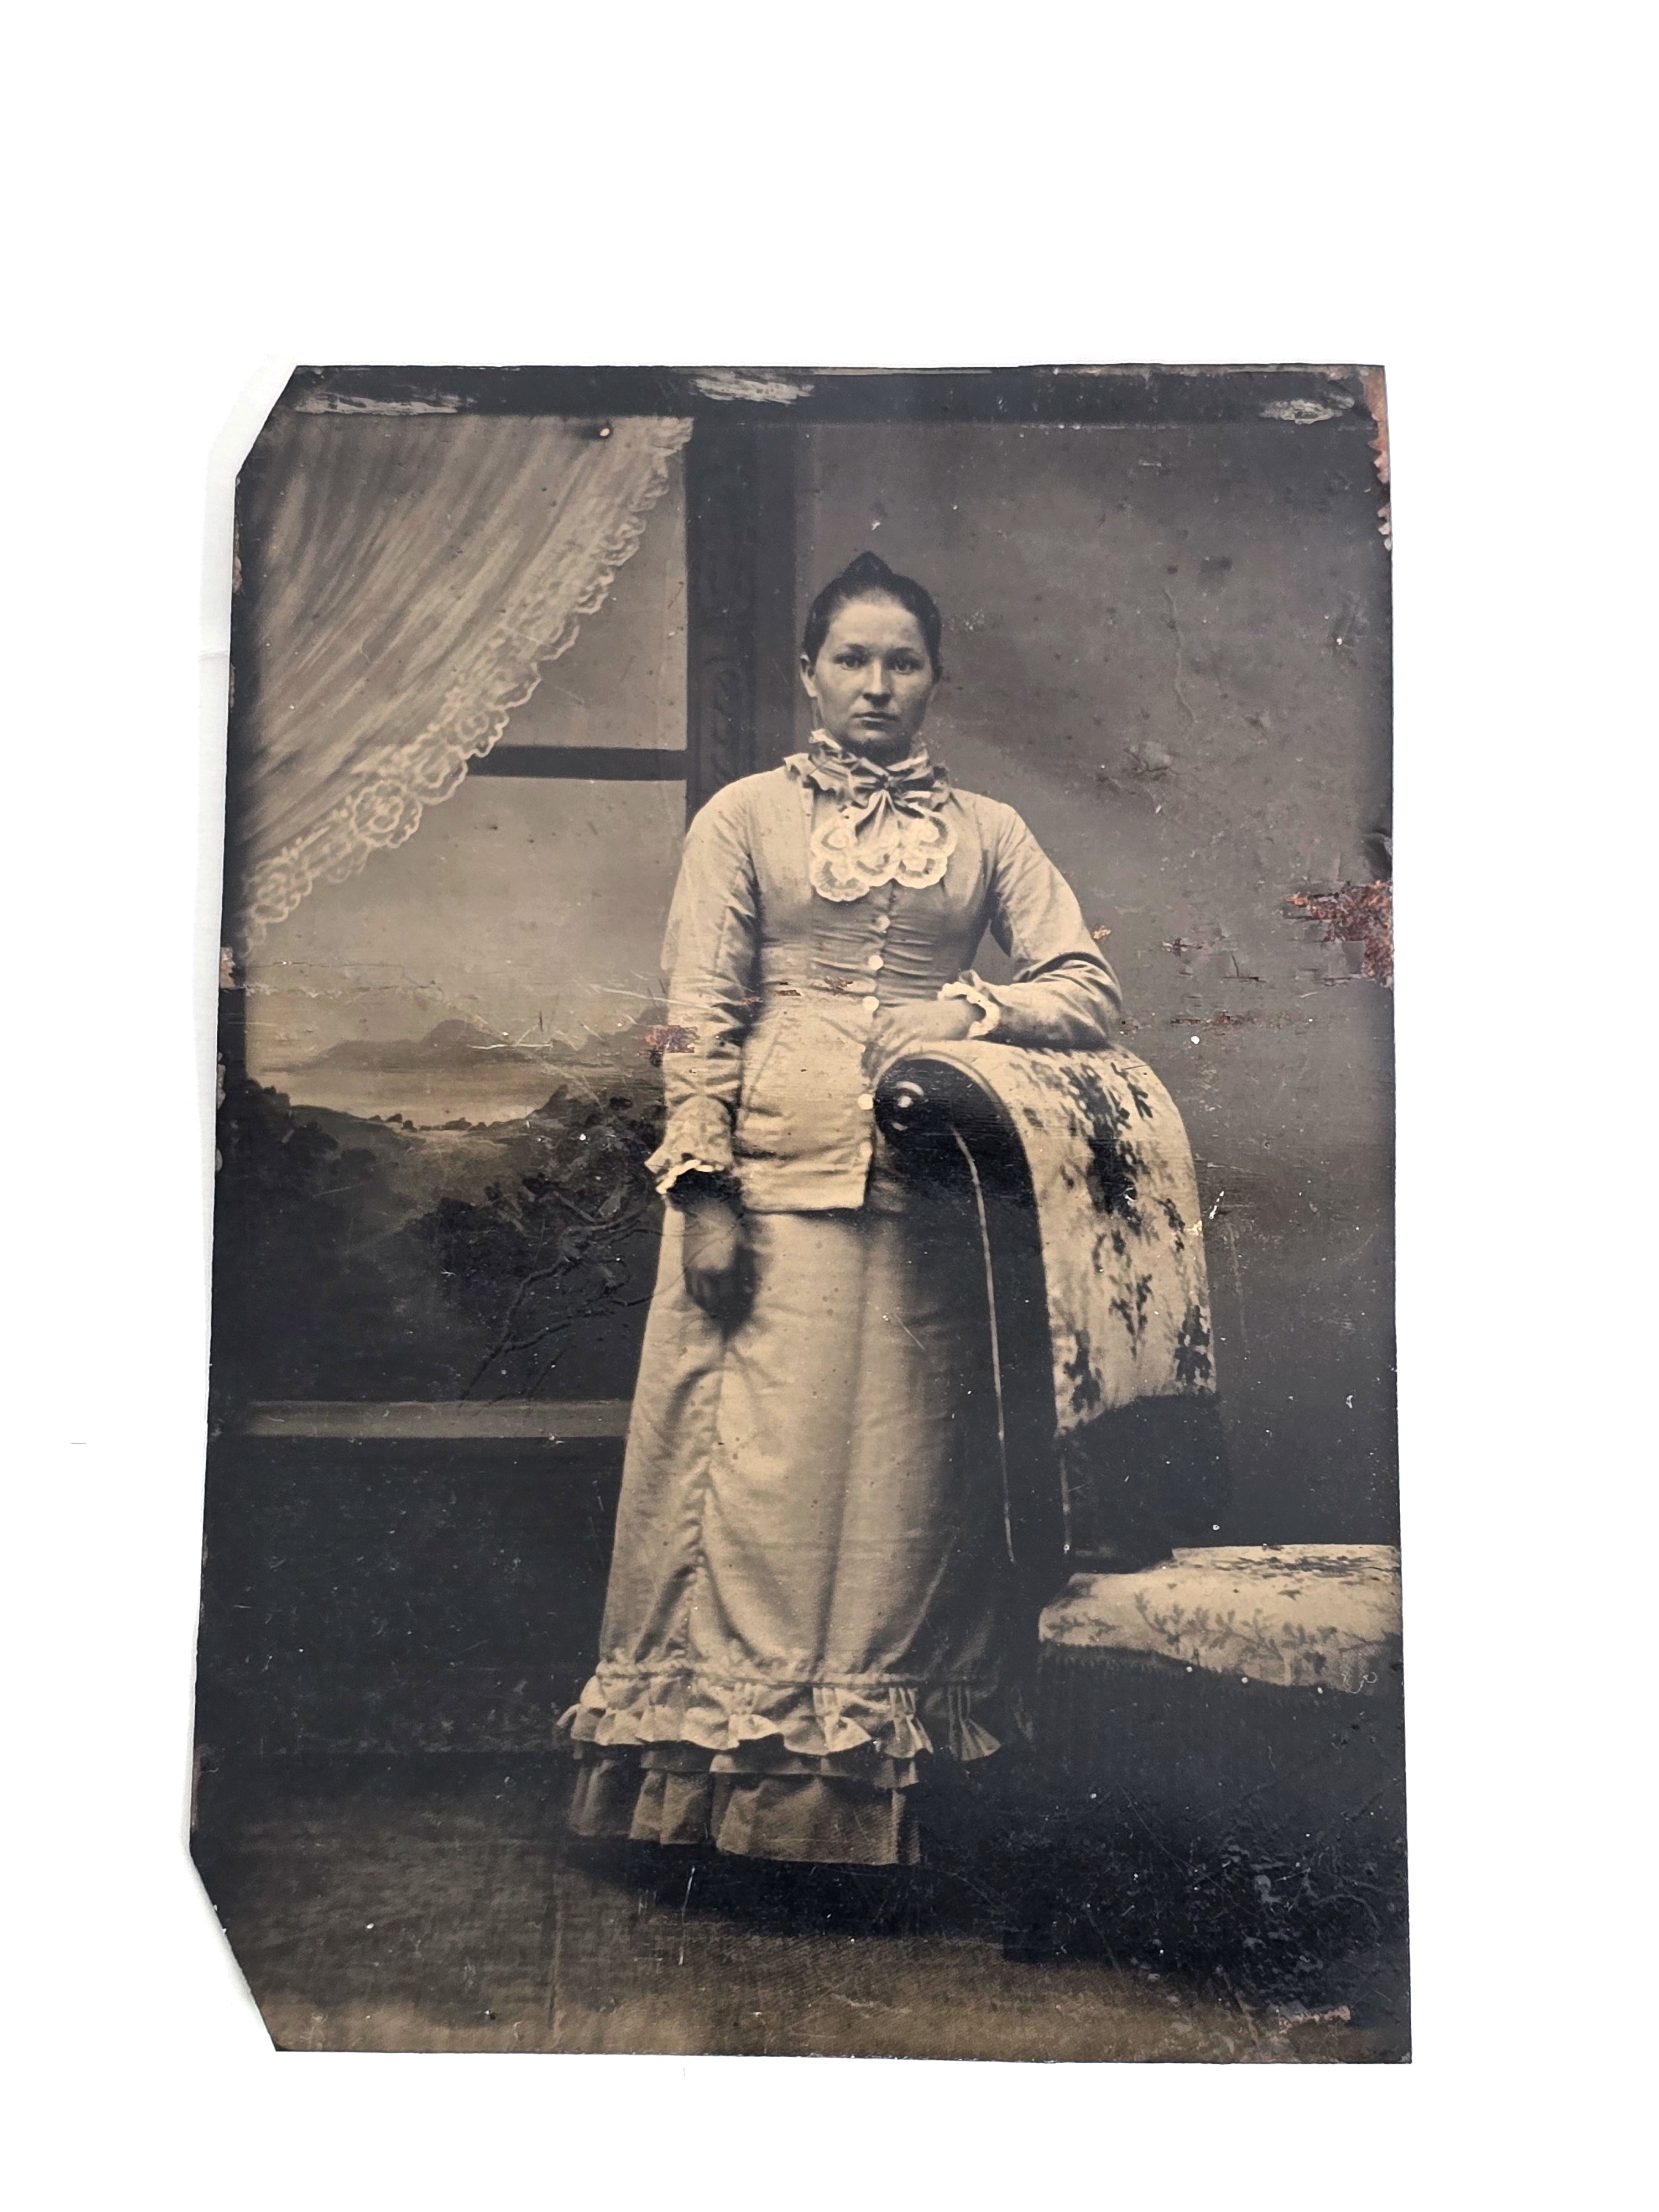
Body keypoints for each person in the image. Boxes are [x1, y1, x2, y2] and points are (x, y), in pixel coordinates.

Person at [560, 551, 1123, 1867]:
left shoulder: (989, 831)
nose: (879, 684)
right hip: (769, 1185)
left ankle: (876, 1816)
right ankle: (720, 1811)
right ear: (812, 672)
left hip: (935, 1200)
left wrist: (972, 1007)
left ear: (935, 677)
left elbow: (1088, 988)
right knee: (756, 1479)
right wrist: (703, 1191)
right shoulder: (745, 818)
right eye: (854, 659)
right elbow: (699, 1013)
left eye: (904, 661)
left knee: (902, 1490)